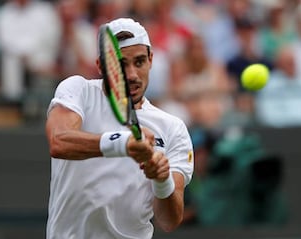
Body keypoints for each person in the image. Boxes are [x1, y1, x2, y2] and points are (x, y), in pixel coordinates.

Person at [45, 18, 194, 239]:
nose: (132, 74)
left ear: (151, 60)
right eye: (121, 64)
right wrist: (123, 143)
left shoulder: (173, 128)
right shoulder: (79, 90)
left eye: (139, 62)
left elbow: (169, 221)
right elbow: (59, 141)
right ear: (100, 66)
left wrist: (162, 180)